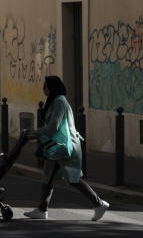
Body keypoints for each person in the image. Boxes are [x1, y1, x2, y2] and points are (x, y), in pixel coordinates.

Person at [25, 75, 109, 221]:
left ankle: (99, 203)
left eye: (45, 86)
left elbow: (54, 126)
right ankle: (41, 209)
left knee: (73, 178)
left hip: (65, 147)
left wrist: (35, 134)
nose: (43, 89)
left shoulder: (59, 102)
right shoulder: (54, 101)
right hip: (57, 146)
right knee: (48, 176)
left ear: (52, 88)